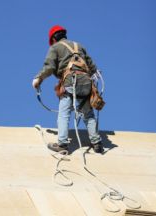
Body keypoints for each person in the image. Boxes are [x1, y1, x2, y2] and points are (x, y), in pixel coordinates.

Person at [32, 25, 103, 154]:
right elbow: (92, 67)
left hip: (71, 81)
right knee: (88, 113)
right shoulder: (79, 46)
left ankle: (63, 145)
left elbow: (49, 67)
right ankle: (97, 143)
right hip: (86, 82)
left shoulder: (55, 48)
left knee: (64, 113)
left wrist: (38, 79)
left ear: (53, 39)